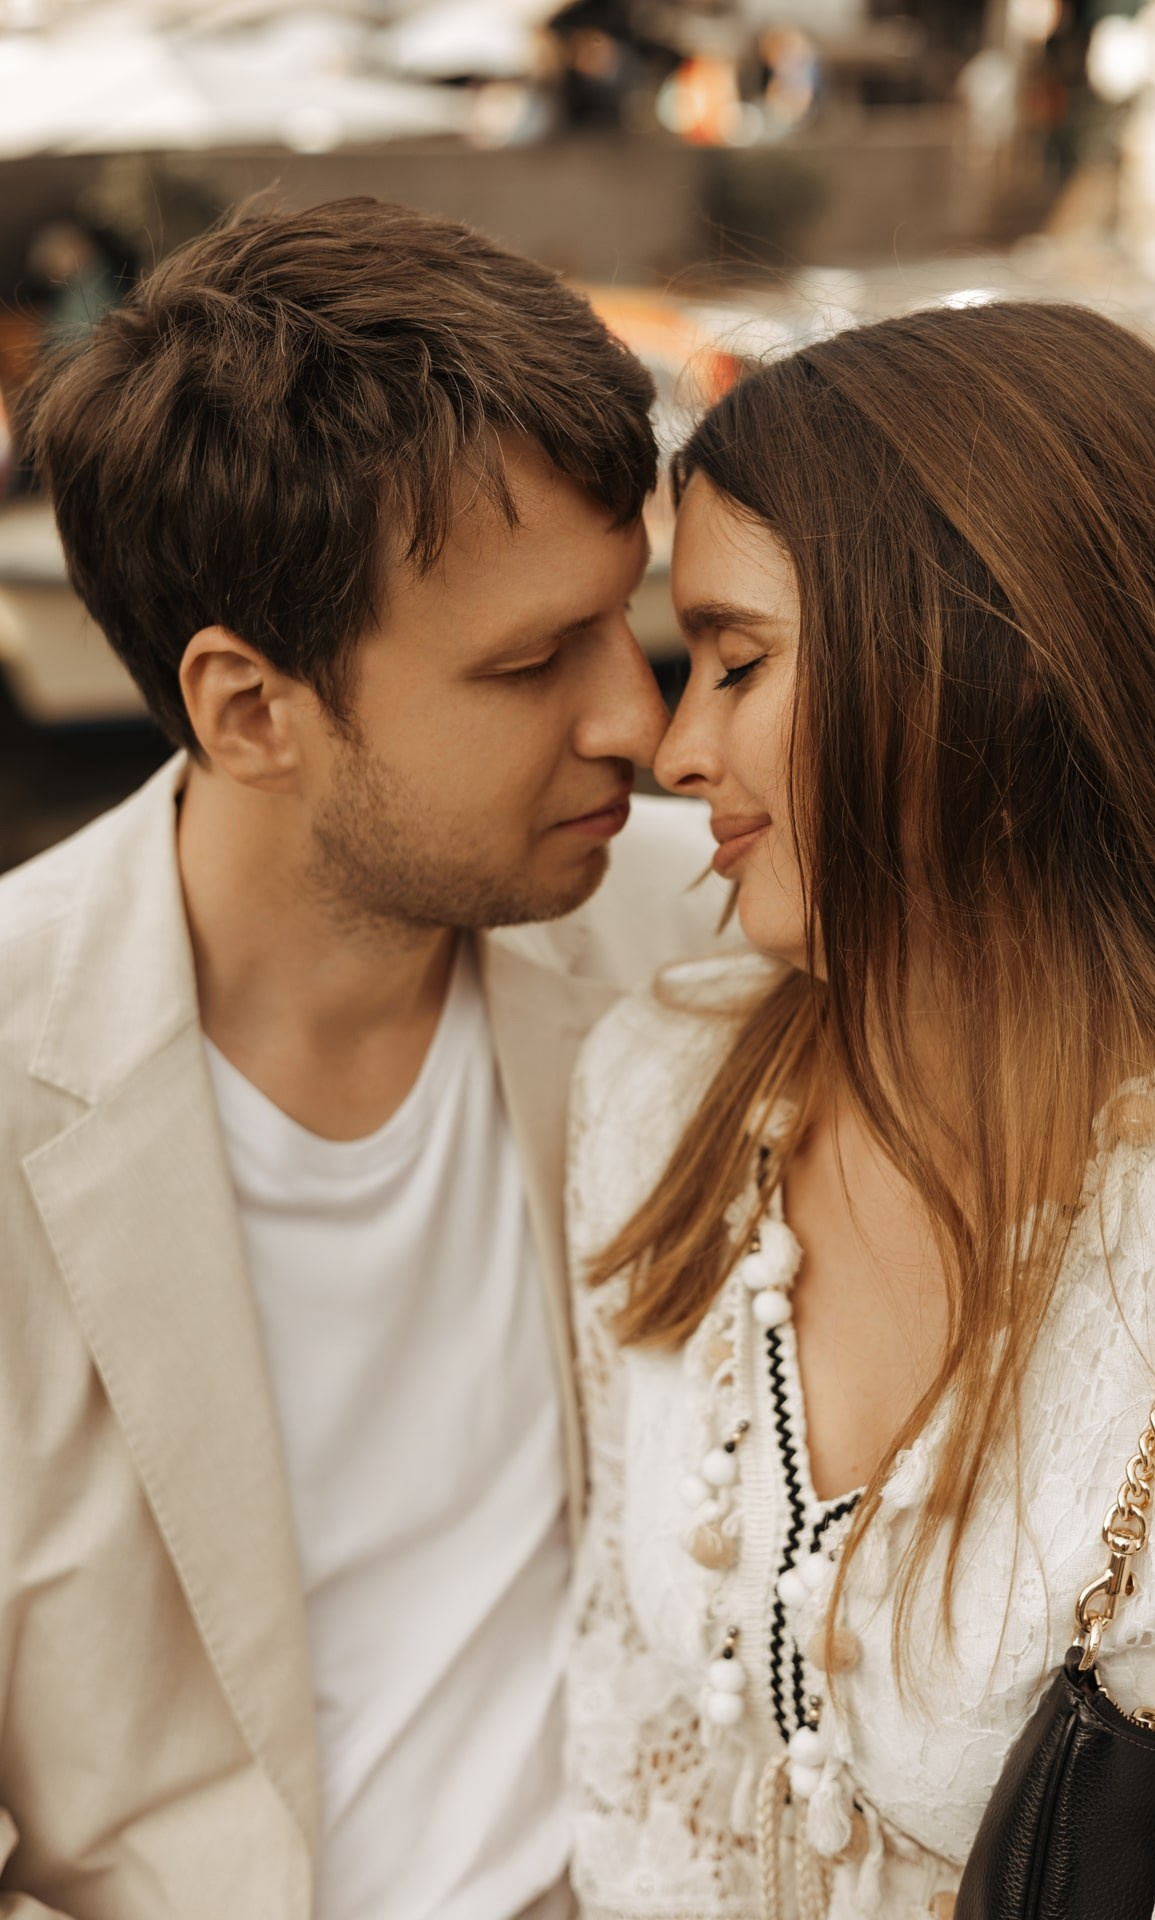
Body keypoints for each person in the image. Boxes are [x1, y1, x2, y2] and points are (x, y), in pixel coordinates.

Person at [0, 197, 730, 1920]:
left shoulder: (695, 933)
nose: (642, 719)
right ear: (251, 708)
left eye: (621, 620)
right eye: (529, 663)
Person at [565, 301, 1155, 1918]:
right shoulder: (661, 1087)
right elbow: (631, 1752)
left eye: (738, 662)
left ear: (998, 676)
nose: (678, 746)